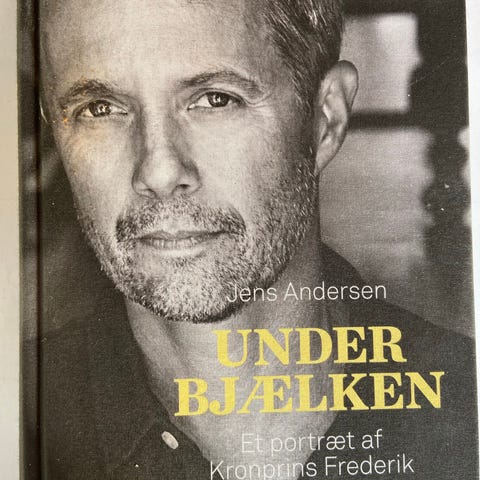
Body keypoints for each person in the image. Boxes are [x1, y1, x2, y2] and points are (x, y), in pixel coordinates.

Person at [24, 0, 477, 479]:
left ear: (324, 120)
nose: (158, 172)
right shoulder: (16, 421)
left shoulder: (469, 408)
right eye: (99, 109)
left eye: (215, 99)